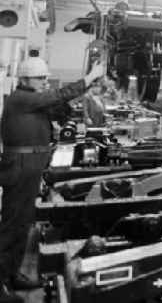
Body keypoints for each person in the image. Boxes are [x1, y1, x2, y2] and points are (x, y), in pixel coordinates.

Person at [0, 57, 106, 302]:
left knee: (23, 224)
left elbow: (61, 107)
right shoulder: (21, 98)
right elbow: (55, 97)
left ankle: (12, 274)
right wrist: (88, 78)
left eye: (46, 78)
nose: (44, 82)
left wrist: (86, 88)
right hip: (20, 167)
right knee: (12, 226)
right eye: (40, 78)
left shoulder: (34, 100)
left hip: (30, 167)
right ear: (25, 79)